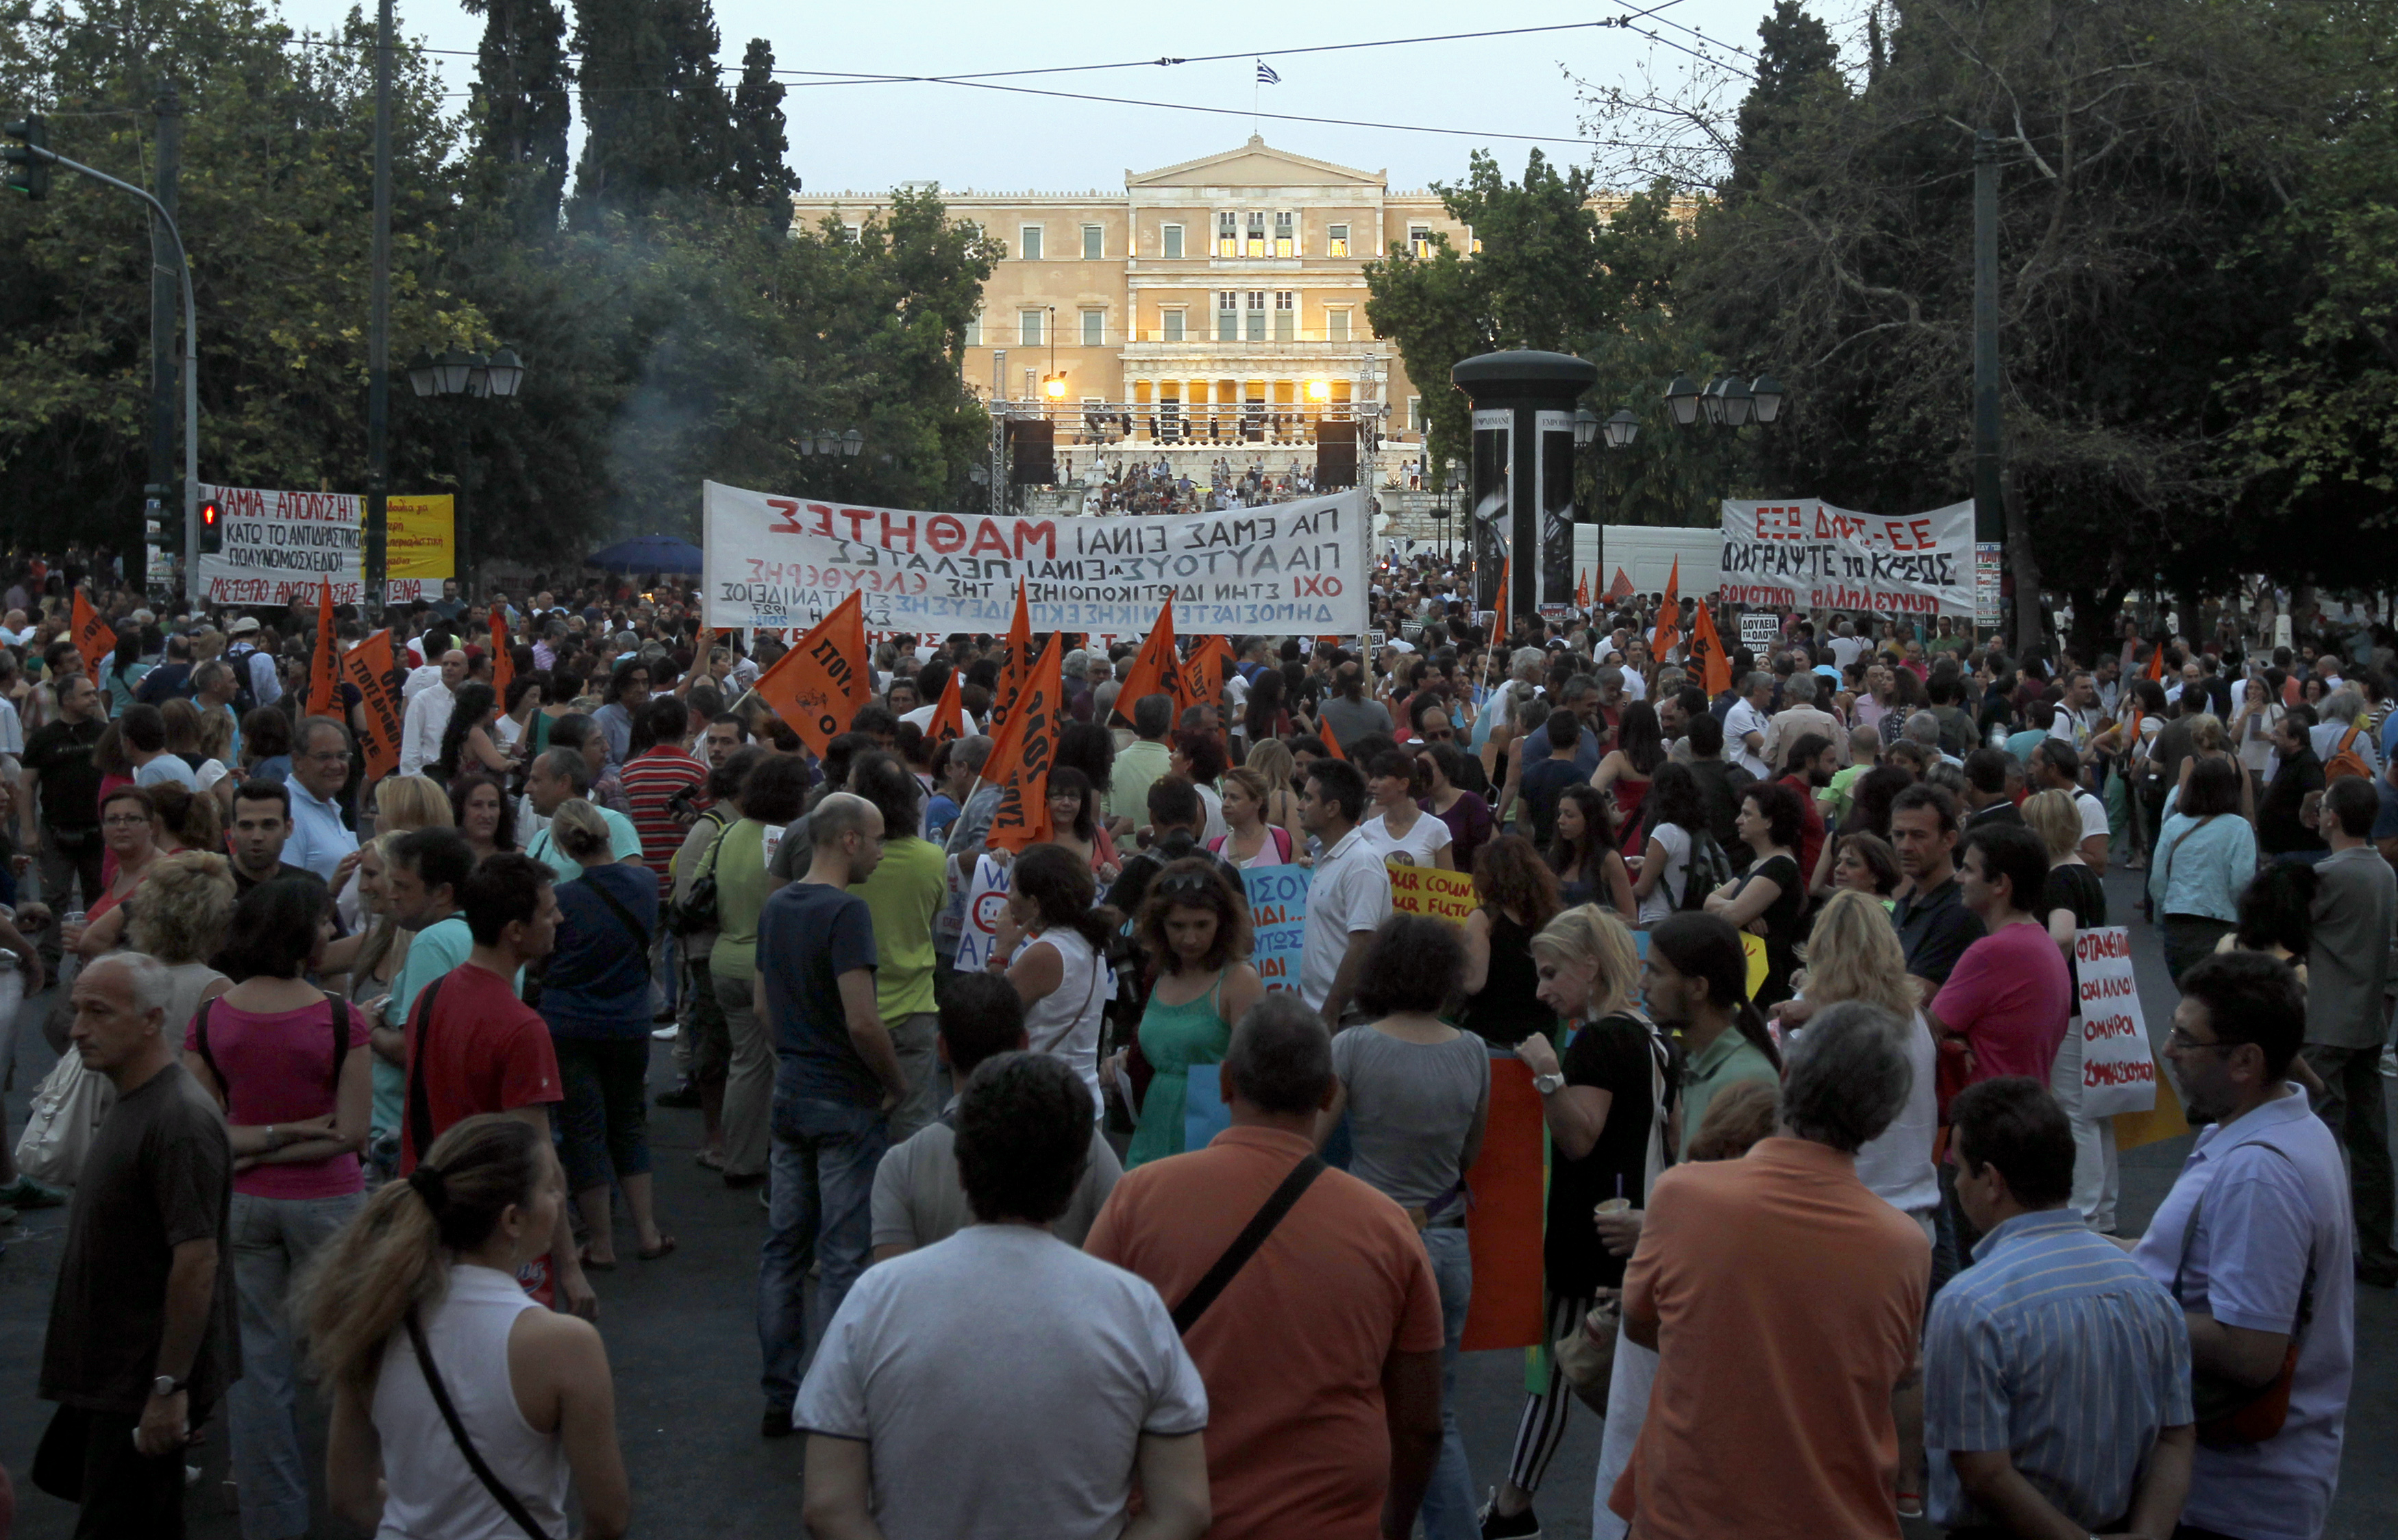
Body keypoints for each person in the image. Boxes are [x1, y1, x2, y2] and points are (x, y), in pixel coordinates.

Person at [800, 1052, 1212, 1540]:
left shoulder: (876, 1299)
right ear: (1077, 1178)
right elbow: (1184, 1509)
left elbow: (828, 1506)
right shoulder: (1133, 1309)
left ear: (962, 1169)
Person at [1086, 995, 1443, 1540]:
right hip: (1332, 1522)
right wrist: (1394, 1524)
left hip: (1175, 1515)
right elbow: (1419, 1425)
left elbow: (1085, 1355)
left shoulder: (1139, 1197)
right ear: (1328, 1094)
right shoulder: (1388, 1228)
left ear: (1226, 1083)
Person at [1609, 1002, 1929, 1540]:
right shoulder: (1904, 1246)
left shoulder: (1685, 1194)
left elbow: (1642, 1323)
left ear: (1786, 1075)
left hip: (1688, 1515)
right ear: (1882, 1118)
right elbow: (1896, 1378)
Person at [302, 1115, 629, 1540]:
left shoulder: (374, 1316)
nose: (558, 1200)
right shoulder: (565, 1344)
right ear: (512, 1220)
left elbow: (349, 1495)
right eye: (550, 1188)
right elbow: (609, 1517)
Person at [2129, 952, 2354, 1540]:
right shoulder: (2280, 1128)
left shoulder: (2261, 1173)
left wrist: (2117, 1302)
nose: (2169, 1051)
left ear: (2246, 1061)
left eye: (2185, 1038)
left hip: (2232, 1500)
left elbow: (2253, 1347)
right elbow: (2190, 1260)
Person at [182, 877, 372, 1540]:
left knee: (257, 1376)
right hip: (329, 1203)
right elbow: (350, 1132)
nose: (328, 934)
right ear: (298, 933)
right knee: (356, 1358)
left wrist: (255, 1152)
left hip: (243, 1205)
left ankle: (273, 1522)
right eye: (322, 924)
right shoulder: (340, 1019)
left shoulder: (212, 1018)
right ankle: (376, 1501)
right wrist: (298, 1135)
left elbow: (207, 1135)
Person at [1927, 1077, 2194, 1539]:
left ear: (1992, 1181)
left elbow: (1985, 1474)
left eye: (1961, 1169)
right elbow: (2175, 1435)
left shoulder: (1971, 1304)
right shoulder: (2147, 1290)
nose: (1957, 1183)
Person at [34, 952, 238, 1540]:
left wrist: (168, 1390)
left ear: (152, 1020)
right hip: (113, 1374)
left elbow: (198, 1264)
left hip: (138, 1380)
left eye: (98, 1012)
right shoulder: (135, 1101)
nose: (76, 1029)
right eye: (76, 1010)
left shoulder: (178, 1122)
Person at [1489, 906, 1674, 1538]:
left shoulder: (1600, 1039)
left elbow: (1579, 1137)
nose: (1542, 990)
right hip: (1627, 1226)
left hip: (1594, 1238)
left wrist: (1545, 1071)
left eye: (1551, 973)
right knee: (1600, 1376)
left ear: (1591, 968)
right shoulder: (1647, 1035)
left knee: (1563, 1372)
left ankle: (1513, 1508)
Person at [1317, 915, 1487, 1540]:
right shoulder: (1470, 1052)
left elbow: (1311, 1143)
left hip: (1366, 1240)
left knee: (1353, 1401)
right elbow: (1471, 1153)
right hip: (1445, 1239)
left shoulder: (1353, 1048)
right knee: (1436, 1415)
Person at [755, 792, 904, 1439]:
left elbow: (763, 1006)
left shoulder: (776, 907)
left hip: (791, 1091)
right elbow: (864, 1020)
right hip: (844, 1099)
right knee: (843, 1255)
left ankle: (779, 1392)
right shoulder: (848, 913)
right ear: (847, 841)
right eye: (874, 839)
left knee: (784, 1249)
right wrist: (893, 1081)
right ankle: (831, 1396)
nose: (879, 850)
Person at [397, 852, 594, 1320]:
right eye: (548, 912)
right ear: (516, 932)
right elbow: (539, 1158)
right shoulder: (522, 1028)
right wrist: (570, 1267)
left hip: (426, 1219)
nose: (559, 918)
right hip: (494, 1233)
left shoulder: (431, 996)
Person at [869, 973, 1124, 1258]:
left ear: (941, 1048)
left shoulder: (901, 1165)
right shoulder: (1085, 1143)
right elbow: (1124, 1241)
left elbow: (893, 1283)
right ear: (1025, 1041)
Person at [537, 800, 671, 1270]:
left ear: (562, 845)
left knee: (583, 1129)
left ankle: (600, 1241)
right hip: (629, 1020)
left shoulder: (563, 901)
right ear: (608, 833)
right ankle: (648, 1230)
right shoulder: (646, 885)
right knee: (629, 1122)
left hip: (570, 1020)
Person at [2298, 774, 2397, 1287]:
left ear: (2331, 817)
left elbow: (2293, 929)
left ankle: (2312, 1251)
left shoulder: (2330, 875)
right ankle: (2379, 1250)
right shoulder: (2383, 872)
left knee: (2316, 1140)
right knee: (2371, 1143)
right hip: (2366, 1021)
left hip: (2327, 1021)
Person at [1114, 858, 1263, 1167]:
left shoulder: (1239, 981)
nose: (1190, 938)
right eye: (1177, 926)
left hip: (1214, 1135)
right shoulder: (1159, 976)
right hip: (1153, 1128)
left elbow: (1260, 1074)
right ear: (1159, 926)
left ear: (1222, 923)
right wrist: (1123, 1060)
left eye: (1202, 925)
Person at [712, 754, 810, 1189]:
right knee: (785, 1067)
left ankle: (739, 1159)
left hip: (725, 957)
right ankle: (787, 1170)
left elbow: (697, 882)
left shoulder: (728, 832)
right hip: (769, 967)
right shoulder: (789, 840)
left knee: (745, 1063)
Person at [989, 841, 1118, 1115]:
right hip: (1081, 1097)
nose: (1008, 897)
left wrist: (1001, 953)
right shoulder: (1087, 941)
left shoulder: (1046, 953)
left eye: (1013, 889)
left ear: (1035, 904)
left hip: (1045, 1103)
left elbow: (989, 1020)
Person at [1644, 912, 1781, 1158]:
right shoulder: (1701, 1065)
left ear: (1698, 987)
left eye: (1656, 972)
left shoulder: (1743, 1077)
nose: (1643, 983)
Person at [18, 666, 107, 965]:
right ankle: (47, 964)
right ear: (67, 701)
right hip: (56, 831)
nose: (95, 699)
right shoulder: (44, 738)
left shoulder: (104, 734)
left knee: (99, 897)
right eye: (87, 695)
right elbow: (27, 785)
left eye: (95, 694)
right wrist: (29, 831)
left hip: (98, 831)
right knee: (54, 899)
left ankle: (95, 962)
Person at [1297, 758, 1392, 1027]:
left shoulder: (1361, 863)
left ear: (1332, 808)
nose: (1299, 806)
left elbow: (1362, 944)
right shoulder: (1327, 857)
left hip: (1349, 1018)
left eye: (1307, 798)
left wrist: (1330, 1012)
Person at [2151, 756, 2257, 982]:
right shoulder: (2239, 828)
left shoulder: (2174, 825)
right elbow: (2241, 881)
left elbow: (2158, 880)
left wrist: (2163, 912)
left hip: (2177, 920)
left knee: (2189, 994)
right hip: (2220, 922)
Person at [1702, 780, 1807, 1006]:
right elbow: (1710, 902)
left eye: (1747, 815)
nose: (1738, 821)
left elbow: (1732, 917)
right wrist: (1743, 909)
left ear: (1769, 821)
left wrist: (1740, 910)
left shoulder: (1779, 865)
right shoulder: (1758, 864)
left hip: (1762, 977)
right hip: (1747, 968)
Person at [1457, 833, 1561, 1050]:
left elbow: (1473, 983)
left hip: (1491, 1039)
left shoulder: (1484, 919)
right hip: (1541, 1039)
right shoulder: (1553, 919)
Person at [1890, 782, 1986, 994]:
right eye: (1898, 835)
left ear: (1948, 840)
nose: (1904, 846)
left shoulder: (1959, 910)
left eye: (1918, 835)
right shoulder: (1908, 902)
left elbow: (1915, 994)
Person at [521, 747, 643, 880]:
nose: (527, 789)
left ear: (564, 783)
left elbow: (631, 890)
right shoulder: (541, 839)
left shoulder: (614, 823)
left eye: (536, 780)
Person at [283, 717, 359, 885]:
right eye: (324, 757)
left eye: (342, 756)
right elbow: (287, 892)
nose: (335, 765)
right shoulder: (288, 810)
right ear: (298, 760)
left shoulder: (327, 803)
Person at [1631, 762, 1707, 924]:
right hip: (1682, 919)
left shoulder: (1664, 832)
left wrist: (1618, 894)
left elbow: (1643, 889)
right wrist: (1648, 864)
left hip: (1657, 918)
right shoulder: (1690, 831)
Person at [1357, 749, 1455, 869]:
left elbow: (1448, 884)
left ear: (1403, 784)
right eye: (1373, 777)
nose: (1372, 784)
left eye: (1381, 777)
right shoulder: (1367, 830)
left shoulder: (1436, 829)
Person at [1549, 784, 1636, 919]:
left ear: (1590, 820)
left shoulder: (1609, 859)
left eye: (1569, 815)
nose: (1561, 821)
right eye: (1560, 814)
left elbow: (1630, 917)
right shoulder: (1556, 853)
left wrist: (1588, 919)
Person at [225, 780, 312, 894]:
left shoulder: (306, 890)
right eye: (246, 826)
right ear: (233, 829)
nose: (257, 837)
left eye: (269, 825)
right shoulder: (207, 888)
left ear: (288, 828)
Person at [397, 647, 464, 779]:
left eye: (455, 664)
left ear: (466, 669)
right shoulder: (422, 700)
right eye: (445, 664)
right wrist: (415, 780)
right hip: (433, 773)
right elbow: (411, 744)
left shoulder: (469, 698)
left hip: (463, 774)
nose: (449, 668)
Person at [1211, 765, 1296, 867]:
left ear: (1257, 802)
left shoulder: (1282, 841)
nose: (1226, 803)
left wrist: (1306, 865)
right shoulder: (1216, 847)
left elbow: (1301, 879)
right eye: (1224, 797)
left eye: (1234, 798)